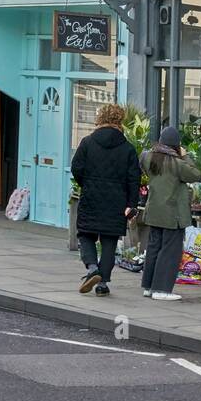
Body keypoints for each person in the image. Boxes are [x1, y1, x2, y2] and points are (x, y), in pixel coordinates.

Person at [71, 101, 140, 296]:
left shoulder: (87, 142)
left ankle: (92, 268)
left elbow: (76, 167)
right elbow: (133, 179)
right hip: (116, 202)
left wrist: (86, 183)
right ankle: (102, 284)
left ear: (100, 119)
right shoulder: (127, 148)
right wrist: (131, 204)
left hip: (91, 197)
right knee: (109, 241)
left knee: (85, 234)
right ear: (120, 121)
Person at [139, 127, 201, 301]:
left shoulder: (148, 157)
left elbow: (143, 161)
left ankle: (149, 287)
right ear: (176, 145)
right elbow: (196, 174)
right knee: (170, 251)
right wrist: (184, 154)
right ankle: (162, 290)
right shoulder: (177, 163)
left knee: (153, 248)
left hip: (154, 211)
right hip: (172, 214)